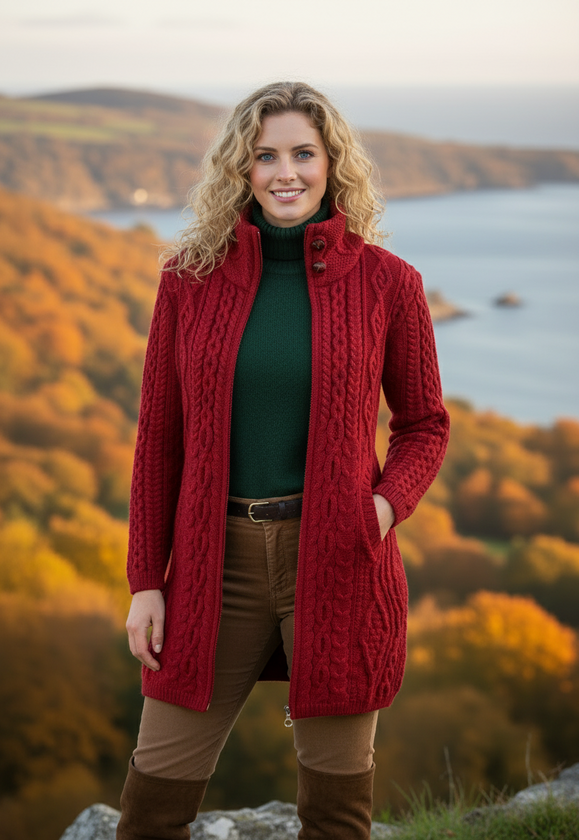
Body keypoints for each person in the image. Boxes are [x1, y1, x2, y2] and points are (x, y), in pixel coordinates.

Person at [117, 81, 449, 840]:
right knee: (150, 810)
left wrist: (382, 507)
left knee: (336, 818)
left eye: (303, 153)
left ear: (333, 164)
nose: (285, 172)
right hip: (210, 564)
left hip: (338, 558)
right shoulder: (188, 282)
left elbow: (425, 424)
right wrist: (146, 580)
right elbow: (157, 443)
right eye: (265, 156)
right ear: (241, 168)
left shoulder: (388, 285)